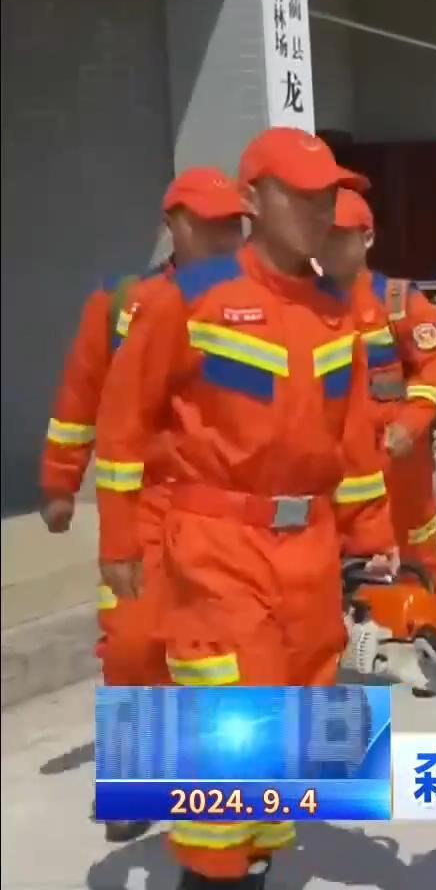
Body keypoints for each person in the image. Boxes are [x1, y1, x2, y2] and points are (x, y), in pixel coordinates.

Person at [93, 127, 398, 890]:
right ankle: (213, 872)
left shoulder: (334, 312)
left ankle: (248, 868)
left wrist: (372, 533)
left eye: (329, 197)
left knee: (287, 739)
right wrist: (120, 537)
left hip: (310, 553)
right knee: (234, 732)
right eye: (302, 195)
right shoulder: (189, 300)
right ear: (253, 199)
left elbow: (352, 435)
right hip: (218, 545)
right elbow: (124, 420)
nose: (320, 211)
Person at [42, 167, 248, 843]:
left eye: (234, 225)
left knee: (231, 652)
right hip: (146, 505)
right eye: (210, 225)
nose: (225, 237)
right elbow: (80, 399)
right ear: (174, 225)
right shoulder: (119, 307)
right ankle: (135, 781)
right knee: (133, 643)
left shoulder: (264, 308)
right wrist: (60, 482)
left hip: (233, 512)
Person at [321, 191, 436, 631]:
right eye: (324, 234)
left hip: (399, 464)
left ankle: (427, 635)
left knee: (416, 552)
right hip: (336, 464)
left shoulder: (396, 300)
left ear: (367, 238)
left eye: (341, 236)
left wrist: (410, 423)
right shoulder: (306, 302)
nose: (330, 245)